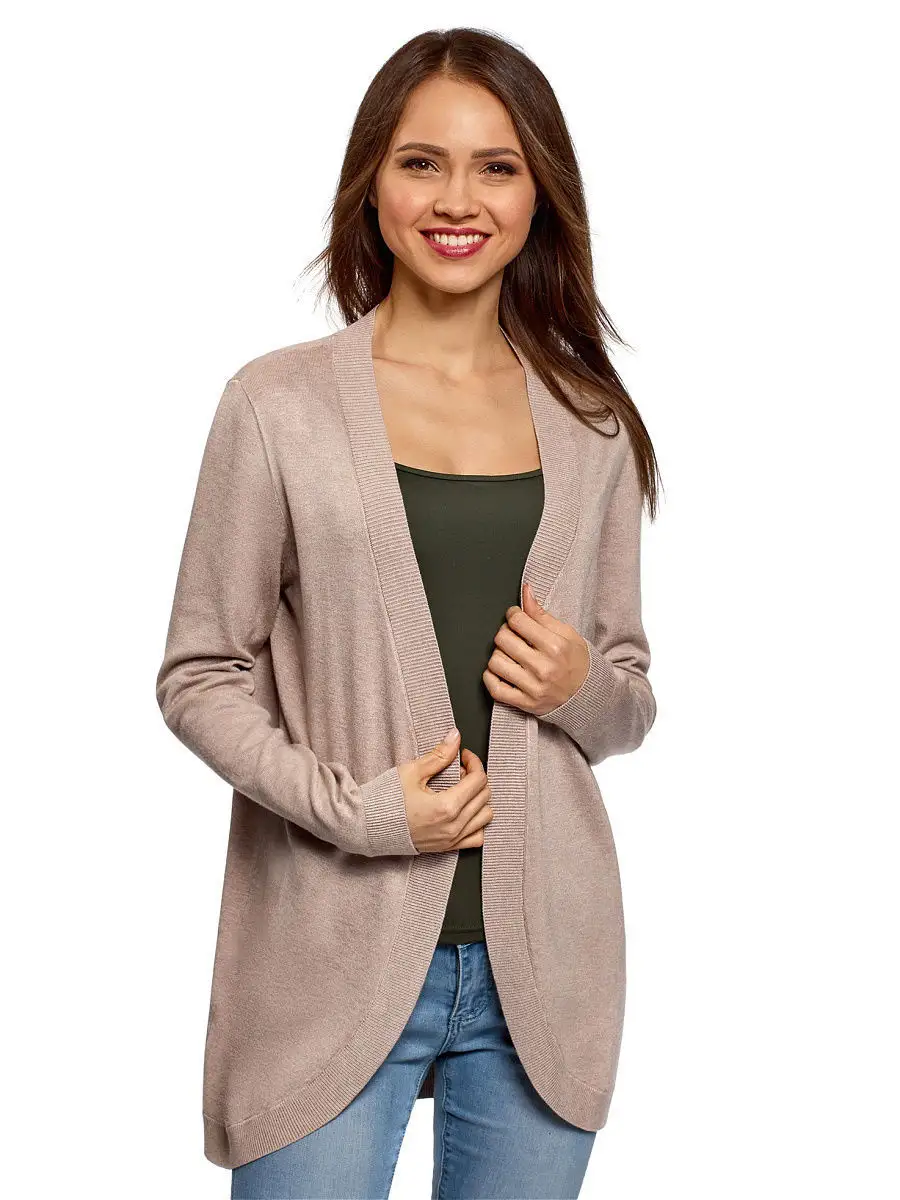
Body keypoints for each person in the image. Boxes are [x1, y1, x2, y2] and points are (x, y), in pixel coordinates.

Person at [156, 26, 661, 1200]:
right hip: (325, 953)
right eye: (421, 162)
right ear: (371, 184)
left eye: (498, 167)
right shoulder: (278, 406)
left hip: (545, 969)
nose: (457, 200)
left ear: (539, 194)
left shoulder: (589, 421)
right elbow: (199, 674)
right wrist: (363, 811)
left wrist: (581, 684)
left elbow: (630, 696)